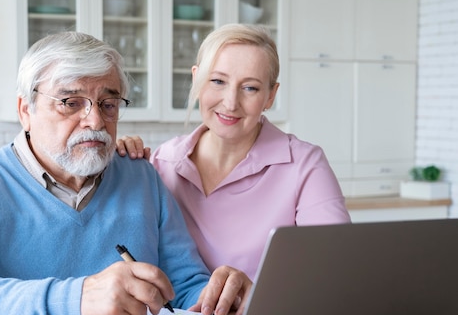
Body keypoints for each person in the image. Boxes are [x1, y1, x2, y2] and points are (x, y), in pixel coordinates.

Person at [0, 31, 252, 315]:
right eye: (71, 103)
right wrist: (76, 300)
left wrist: (221, 299)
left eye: (108, 103)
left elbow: (185, 286)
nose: (95, 120)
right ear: (26, 110)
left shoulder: (142, 177)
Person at [117, 24, 351, 281]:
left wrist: (256, 297)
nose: (230, 102)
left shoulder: (304, 165)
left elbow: (334, 271)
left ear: (271, 96)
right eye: (217, 81)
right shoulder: (163, 162)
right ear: (196, 79)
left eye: (250, 88)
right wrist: (118, 164)